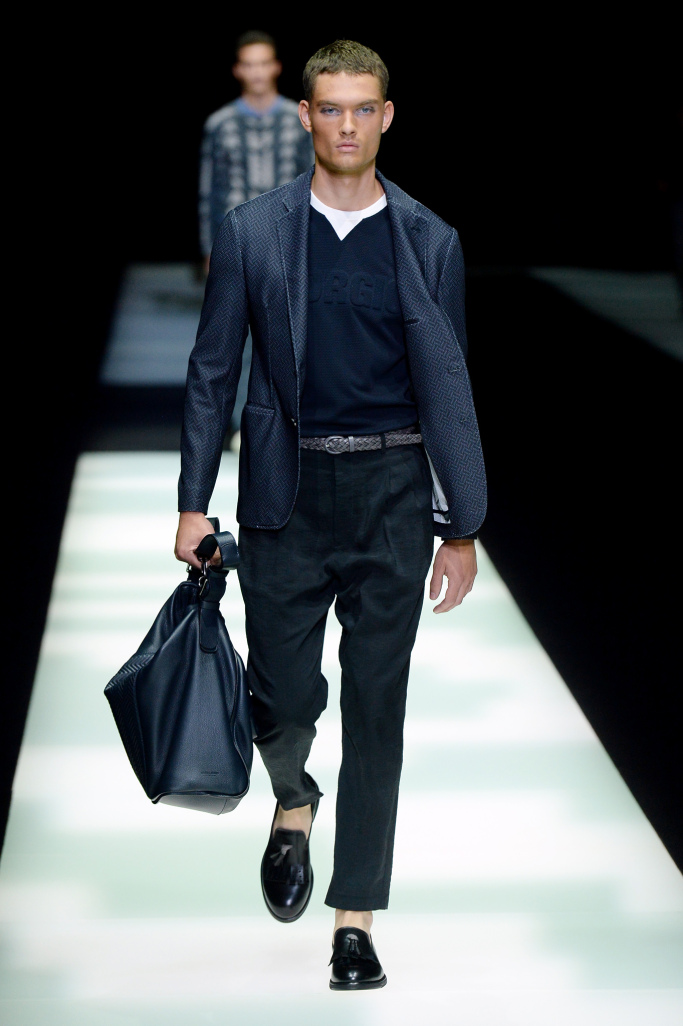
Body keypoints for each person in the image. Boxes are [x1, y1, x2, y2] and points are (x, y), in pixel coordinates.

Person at [176, 39, 486, 990]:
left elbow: (449, 385)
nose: (346, 125)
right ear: (305, 115)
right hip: (287, 489)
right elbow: (212, 370)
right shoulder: (254, 232)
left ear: (385, 116)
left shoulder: (430, 240)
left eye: (363, 108)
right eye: (331, 108)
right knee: (279, 695)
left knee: (377, 708)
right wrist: (192, 502)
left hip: (392, 492)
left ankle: (355, 918)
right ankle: (293, 798)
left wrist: (461, 524)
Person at [199, 30, 314, 440]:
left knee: (289, 331)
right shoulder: (220, 124)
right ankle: (236, 425)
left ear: (276, 67)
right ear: (238, 70)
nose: (258, 72)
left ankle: (287, 422)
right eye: (250, 64)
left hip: (289, 239)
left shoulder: (299, 120)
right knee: (230, 337)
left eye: (264, 63)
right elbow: (208, 188)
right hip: (235, 242)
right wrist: (208, 246)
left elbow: (313, 179)